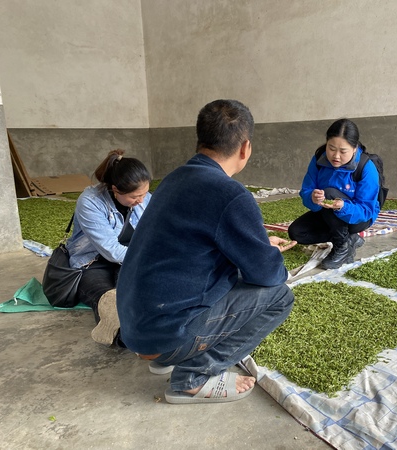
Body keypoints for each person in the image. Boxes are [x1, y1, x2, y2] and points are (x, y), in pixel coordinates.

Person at [116, 99, 296, 404]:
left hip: (136, 329)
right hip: (165, 335)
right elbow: (267, 274)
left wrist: (258, 244)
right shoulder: (231, 194)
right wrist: (266, 254)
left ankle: (166, 358)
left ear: (200, 139)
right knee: (280, 296)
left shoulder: (174, 179)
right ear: (245, 148)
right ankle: (193, 376)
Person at [64, 149, 151, 345]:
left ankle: (138, 324)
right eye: (135, 197)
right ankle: (121, 334)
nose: (141, 200)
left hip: (127, 257)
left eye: (145, 193)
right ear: (115, 189)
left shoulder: (143, 199)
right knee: (106, 296)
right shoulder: (90, 202)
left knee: (133, 288)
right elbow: (111, 250)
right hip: (92, 262)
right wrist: (148, 258)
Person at [288, 118, 381, 269]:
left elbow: (366, 210)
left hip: (357, 218)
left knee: (330, 192)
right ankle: (350, 240)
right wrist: (312, 197)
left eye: (343, 151)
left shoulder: (366, 168)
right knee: (297, 233)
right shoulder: (319, 160)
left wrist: (343, 206)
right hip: (328, 214)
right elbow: (306, 190)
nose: (336, 156)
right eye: (331, 148)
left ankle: (342, 246)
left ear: (355, 148)